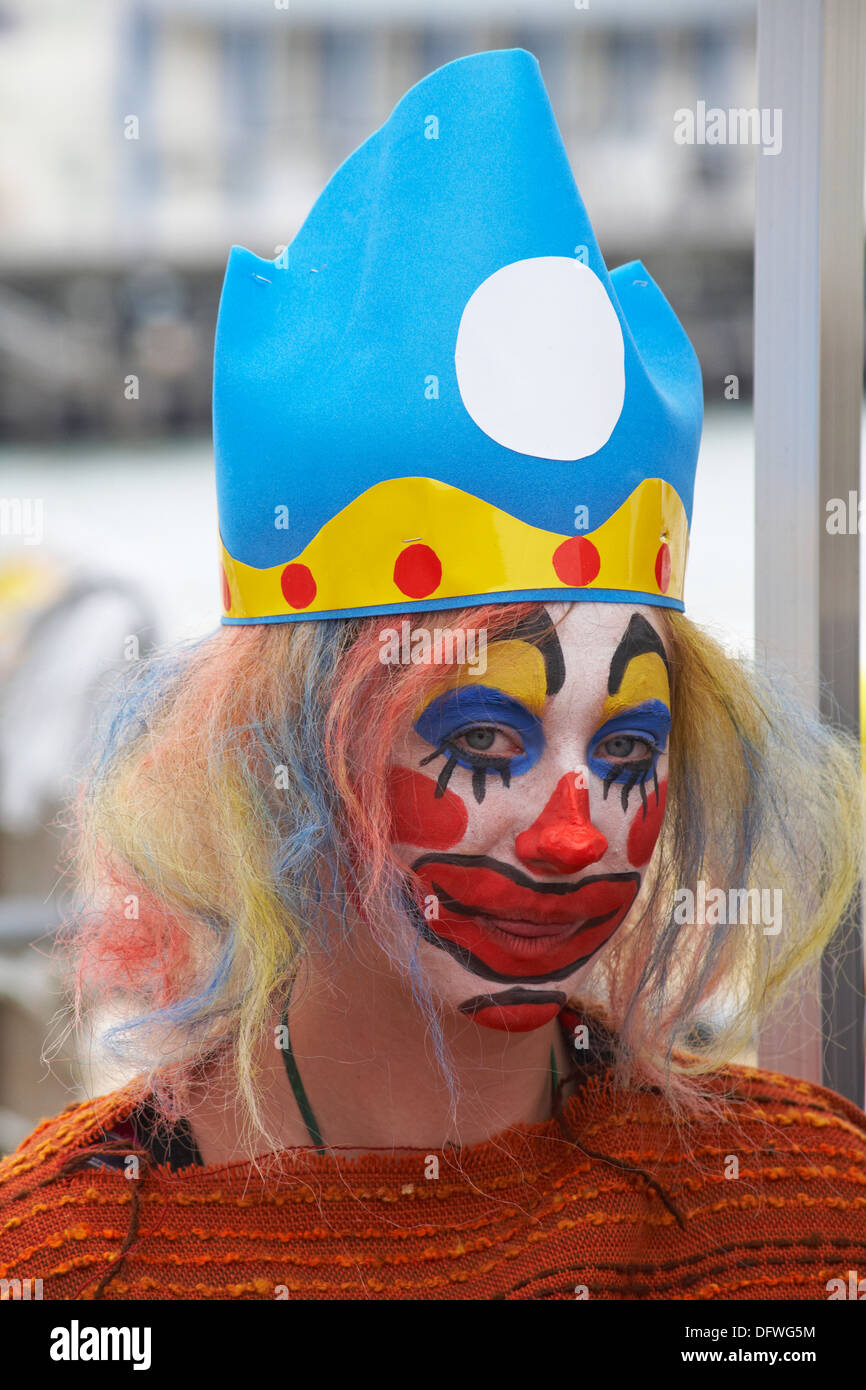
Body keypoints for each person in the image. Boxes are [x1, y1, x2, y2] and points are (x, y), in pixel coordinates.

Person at [1, 48, 864, 1303]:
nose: (578, 836)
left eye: (625, 752)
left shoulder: (803, 1212)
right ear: (280, 758)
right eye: (481, 738)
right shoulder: (74, 1267)